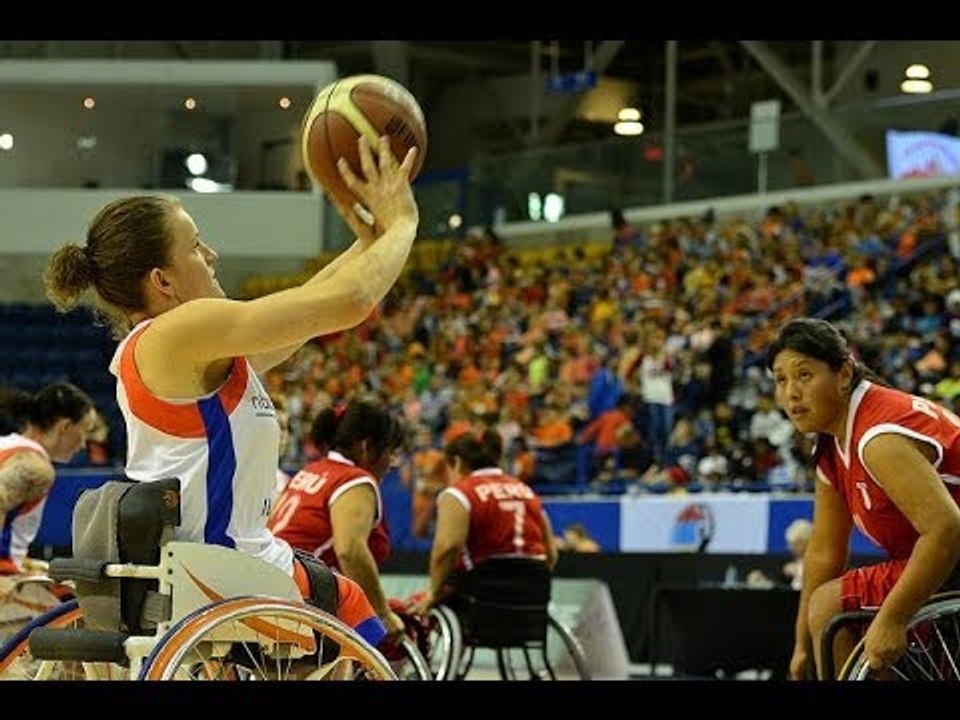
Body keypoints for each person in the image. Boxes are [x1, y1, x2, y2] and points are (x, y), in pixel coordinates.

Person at [43, 134, 420, 647]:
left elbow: (311, 309)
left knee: (337, 595)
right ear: (164, 281)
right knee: (360, 611)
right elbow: (353, 300)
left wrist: (368, 240)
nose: (212, 254)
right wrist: (403, 223)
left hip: (208, 564)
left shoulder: (186, 352)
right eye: (196, 245)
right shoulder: (179, 331)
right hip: (223, 571)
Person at [767, 317, 960, 679]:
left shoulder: (878, 438)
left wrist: (893, 618)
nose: (791, 392)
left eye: (804, 375)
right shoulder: (832, 441)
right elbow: (824, 552)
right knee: (824, 611)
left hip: (954, 551)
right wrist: (802, 645)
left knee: (830, 608)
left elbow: (947, 529)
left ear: (843, 375)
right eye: (781, 379)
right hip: (949, 564)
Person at [268, 399, 408, 640]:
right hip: (301, 588)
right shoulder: (354, 480)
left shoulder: (309, 471)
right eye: (390, 453)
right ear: (367, 447)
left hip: (269, 575)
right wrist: (383, 613)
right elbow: (350, 551)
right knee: (393, 628)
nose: (390, 464)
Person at [414, 426, 558, 613]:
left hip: (482, 592)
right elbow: (551, 554)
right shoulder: (528, 492)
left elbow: (448, 548)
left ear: (457, 463)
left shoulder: (459, 493)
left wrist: (433, 592)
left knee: (420, 603)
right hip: (532, 593)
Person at [0, 383, 96, 576]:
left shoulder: (5, 444)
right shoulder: (36, 467)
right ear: (66, 426)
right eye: (85, 431)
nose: (84, 445)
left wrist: (26, 564)